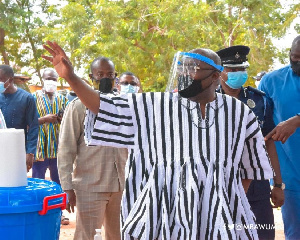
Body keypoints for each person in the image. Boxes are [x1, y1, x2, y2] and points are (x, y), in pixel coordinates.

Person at [43, 41, 273, 239]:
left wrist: (220, 195)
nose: (184, 74)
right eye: (182, 68)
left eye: (193, 69)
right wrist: (71, 77)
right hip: (162, 216)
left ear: (215, 76)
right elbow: (103, 108)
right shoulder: (154, 105)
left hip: (221, 219)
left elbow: (250, 168)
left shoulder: (239, 113)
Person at [216, 45, 284, 239]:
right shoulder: (208, 100)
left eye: (242, 68)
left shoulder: (259, 101)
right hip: (221, 184)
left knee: (262, 234)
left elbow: (269, 143)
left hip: (257, 186)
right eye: (233, 69)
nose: (239, 73)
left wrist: (278, 184)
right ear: (221, 71)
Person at [57, 57, 128, 240]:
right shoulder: (78, 106)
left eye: (110, 75)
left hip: (121, 185)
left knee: (119, 235)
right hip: (90, 186)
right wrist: (67, 187)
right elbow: (66, 148)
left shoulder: (124, 105)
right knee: (86, 236)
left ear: (115, 77)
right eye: (100, 74)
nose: (105, 78)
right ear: (91, 77)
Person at [258, 35, 300, 239]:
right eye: (294, 57)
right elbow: (261, 127)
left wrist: (297, 120)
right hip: (292, 176)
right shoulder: (271, 81)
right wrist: (275, 181)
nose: (297, 62)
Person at [32, 68, 68, 185]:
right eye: (48, 79)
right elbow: (27, 122)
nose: (51, 82)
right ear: (42, 80)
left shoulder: (62, 99)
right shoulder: (33, 98)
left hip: (57, 147)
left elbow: (68, 120)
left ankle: (60, 203)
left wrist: (62, 119)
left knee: (59, 181)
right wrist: (43, 119)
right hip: (40, 147)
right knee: (38, 181)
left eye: (54, 79)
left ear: (57, 80)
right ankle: (39, 203)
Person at [0, 65, 39, 171]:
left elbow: (33, 126)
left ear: (10, 80)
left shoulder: (26, 98)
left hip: (17, 150)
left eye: (1, 79)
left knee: (14, 181)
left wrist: (30, 152)